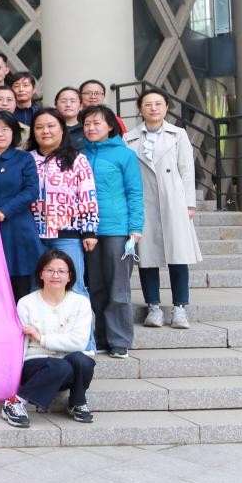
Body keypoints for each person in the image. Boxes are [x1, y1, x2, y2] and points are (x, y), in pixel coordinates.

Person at [125, 89, 202, 329]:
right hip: (143, 202)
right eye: (148, 104)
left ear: (167, 107)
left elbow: (187, 170)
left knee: (178, 255)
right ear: (140, 109)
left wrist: (190, 204)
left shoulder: (178, 134)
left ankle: (180, 308)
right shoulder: (129, 138)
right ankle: (153, 307)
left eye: (158, 104)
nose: (153, 108)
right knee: (147, 257)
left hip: (173, 201)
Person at [1, 250, 96, 428]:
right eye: (50, 270)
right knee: (60, 366)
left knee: (83, 361)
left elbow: (79, 341)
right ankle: (14, 402)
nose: (55, 275)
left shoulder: (81, 303)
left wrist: (41, 338)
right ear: (41, 274)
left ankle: (77, 402)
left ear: (70, 276)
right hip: (35, 364)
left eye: (61, 271)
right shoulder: (26, 303)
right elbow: (19, 344)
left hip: (67, 367)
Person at [29, 108, 99, 345]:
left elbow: (87, 195)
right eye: (39, 127)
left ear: (62, 129)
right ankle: (40, 344)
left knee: (74, 287)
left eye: (51, 126)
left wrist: (89, 230)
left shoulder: (77, 159)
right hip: (33, 234)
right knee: (37, 287)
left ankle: (85, 345)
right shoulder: (27, 159)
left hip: (67, 234)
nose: (45, 131)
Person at [81, 105, 145, 357]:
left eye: (97, 123)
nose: (91, 128)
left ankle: (120, 341)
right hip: (88, 230)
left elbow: (135, 193)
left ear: (110, 126)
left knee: (118, 288)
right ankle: (101, 338)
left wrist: (135, 227)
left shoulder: (125, 155)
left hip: (117, 229)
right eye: (87, 123)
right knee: (96, 287)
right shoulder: (79, 154)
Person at [0, 111, 44, 300]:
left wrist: (5, 210)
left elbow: (31, 191)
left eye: (5, 129)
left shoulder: (24, 158)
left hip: (18, 229)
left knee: (20, 288)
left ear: (14, 133)